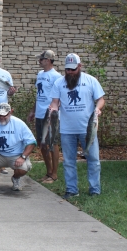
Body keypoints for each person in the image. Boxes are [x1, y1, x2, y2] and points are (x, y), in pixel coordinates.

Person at [49, 53, 105, 199]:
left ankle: (94, 189)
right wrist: (53, 109)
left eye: (73, 69)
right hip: (67, 129)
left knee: (93, 159)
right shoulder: (59, 83)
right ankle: (72, 189)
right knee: (69, 161)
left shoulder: (91, 81)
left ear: (79, 66)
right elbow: (55, 102)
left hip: (87, 128)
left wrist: (98, 109)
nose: (70, 72)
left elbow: (100, 99)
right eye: (67, 69)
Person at [27, 50, 62, 184]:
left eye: (41, 59)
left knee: (52, 143)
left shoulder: (56, 76)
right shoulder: (40, 75)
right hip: (40, 114)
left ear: (48, 60)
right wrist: (33, 111)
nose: (39, 61)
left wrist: (54, 112)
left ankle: (54, 174)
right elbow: (39, 95)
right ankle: (48, 172)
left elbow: (58, 96)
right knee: (42, 144)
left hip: (50, 115)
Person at [0, 103, 36, 191]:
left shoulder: (19, 124)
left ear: (10, 112)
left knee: (24, 169)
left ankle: (15, 178)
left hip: (16, 155)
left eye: (4, 115)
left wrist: (23, 157)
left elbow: (31, 142)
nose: (1, 117)